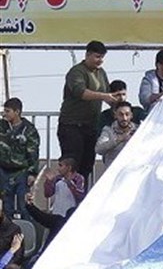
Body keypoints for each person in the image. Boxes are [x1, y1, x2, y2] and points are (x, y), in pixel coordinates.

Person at [57, 40, 120, 178]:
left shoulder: (101, 73)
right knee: (71, 166)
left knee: (86, 167)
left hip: (90, 126)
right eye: (97, 57)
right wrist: (104, 96)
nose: (100, 61)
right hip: (72, 126)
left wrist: (118, 104)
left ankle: (82, 197)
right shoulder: (76, 72)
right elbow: (81, 92)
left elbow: (107, 94)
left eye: (102, 57)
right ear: (87, 55)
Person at [0, 97, 40, 219]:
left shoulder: (28, 129)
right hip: (3, 171)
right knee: (6, 207)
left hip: (22, 172)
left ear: (17, 112)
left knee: (24, 207)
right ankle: (6, 236)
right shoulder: (2, 126)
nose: (4, 114)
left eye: (7, 111)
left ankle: (26, 235)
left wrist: (32, 173)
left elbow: (33, 152)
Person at [95, 101, 138, 167]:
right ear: (115, 115)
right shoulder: (108, 130)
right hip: (114, 171)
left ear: (131, 115)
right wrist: (119, 139)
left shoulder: (139, 130)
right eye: (121, 114)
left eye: (127, 114)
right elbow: (99, 149)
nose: (124, 118)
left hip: (133, 169)